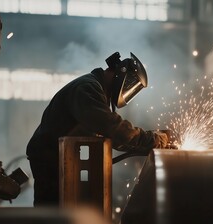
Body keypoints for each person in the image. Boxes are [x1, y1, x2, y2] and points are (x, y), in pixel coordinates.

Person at [26, 52, 168, 206]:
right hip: (49, 158)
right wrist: (151, 139)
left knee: (66, 211)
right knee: (54, 213)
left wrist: (149, 143)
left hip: (58, 157)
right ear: (119, 75)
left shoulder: (96, 90)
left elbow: (115, 139)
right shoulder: (87, 88)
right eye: (130, 85)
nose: (128, 90)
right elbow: (112, 127)